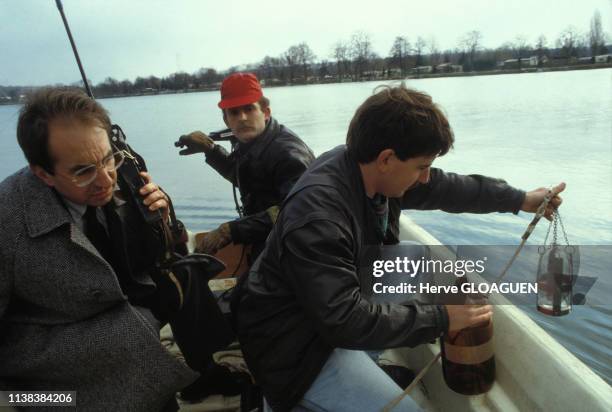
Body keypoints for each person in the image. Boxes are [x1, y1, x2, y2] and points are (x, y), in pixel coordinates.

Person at [234, 84, 565, 411]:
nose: (425, 177)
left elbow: (446, 188)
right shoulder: (319, 218)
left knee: (409, 256)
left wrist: (520, 199)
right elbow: (345, 320)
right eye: (421, 166)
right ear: (387, 159)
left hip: (324, 314)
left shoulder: (367, 167)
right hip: (294, 349)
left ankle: (364, 365)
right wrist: (441, 318)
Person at [0, 88, 230, 411]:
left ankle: (206, 373)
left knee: (188, 274)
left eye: (108, 158)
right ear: (43, 173)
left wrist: (162, 223)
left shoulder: (124, 175)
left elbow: (152, 258)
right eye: (83, 171)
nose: (105, 179)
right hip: (69, 391)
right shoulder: (7, 219)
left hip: (145, 364)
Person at [176, 72, 314, 261]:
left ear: (265, 112)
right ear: (226, 120)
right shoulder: (254, 142)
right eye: (233, 112)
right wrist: (211, 150)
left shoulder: (288, 154)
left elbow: (298, 211)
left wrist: (230, 231)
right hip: (272, 243)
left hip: (298, 252)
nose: (242, 118)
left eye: (249, 109)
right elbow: (249, 177)